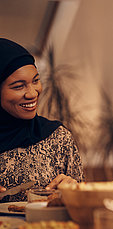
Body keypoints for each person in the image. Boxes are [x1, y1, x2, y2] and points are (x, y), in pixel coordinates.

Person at [0, 38, 84, 202]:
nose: (32, 93)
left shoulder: (59, 139)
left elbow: (83, 209)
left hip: (49, 228)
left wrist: (75, 191)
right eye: (18, 86)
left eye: (35, 81)